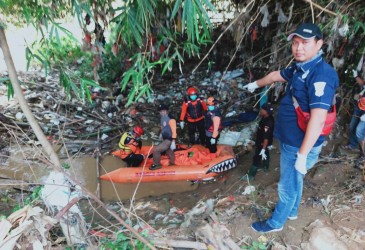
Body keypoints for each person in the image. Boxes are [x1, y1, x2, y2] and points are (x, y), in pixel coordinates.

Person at [242, 23, 339, 233]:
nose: (299, 48)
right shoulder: (299, 66)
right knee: (295, 179)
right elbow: (276, 75)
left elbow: (319, 119)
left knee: (287, 185)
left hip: (299, 144)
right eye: (295, 43)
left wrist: (303, 156)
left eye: (305, 43)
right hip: (292, 139)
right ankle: (292, 211)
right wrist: (255, 85)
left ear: (319, 44)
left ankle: (275, 223)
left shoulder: (321, 75)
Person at [242, 103, 275, 181]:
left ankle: (250, 176)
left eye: (262, 109)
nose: (260, 110)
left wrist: (263, 148)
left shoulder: (268, 122)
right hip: (262, 141)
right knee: (265, 153)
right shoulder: (266, 117)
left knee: (257, 157)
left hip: (263, 142)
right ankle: (265, 167)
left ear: (266, 111)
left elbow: (266, 137)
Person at [342, 70, 365, 151]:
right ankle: (353, 145)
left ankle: (363, 152)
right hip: (359, 108)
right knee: (352, 127)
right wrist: (356, 76)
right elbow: (363, 84)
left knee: (359, 131)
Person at [150, 104, 177, 170]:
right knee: (168, 150)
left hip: (169, 139)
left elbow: (174, 131)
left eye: (163, 111)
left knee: (156, 150)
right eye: (161, 111)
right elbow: (163, 126)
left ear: (166, 111)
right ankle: (172, 162)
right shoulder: (162, 118)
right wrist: (161, 134)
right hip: (165, 138)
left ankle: (157, 164)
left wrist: (173, 141)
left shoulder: (171, 119)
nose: (162, 112)